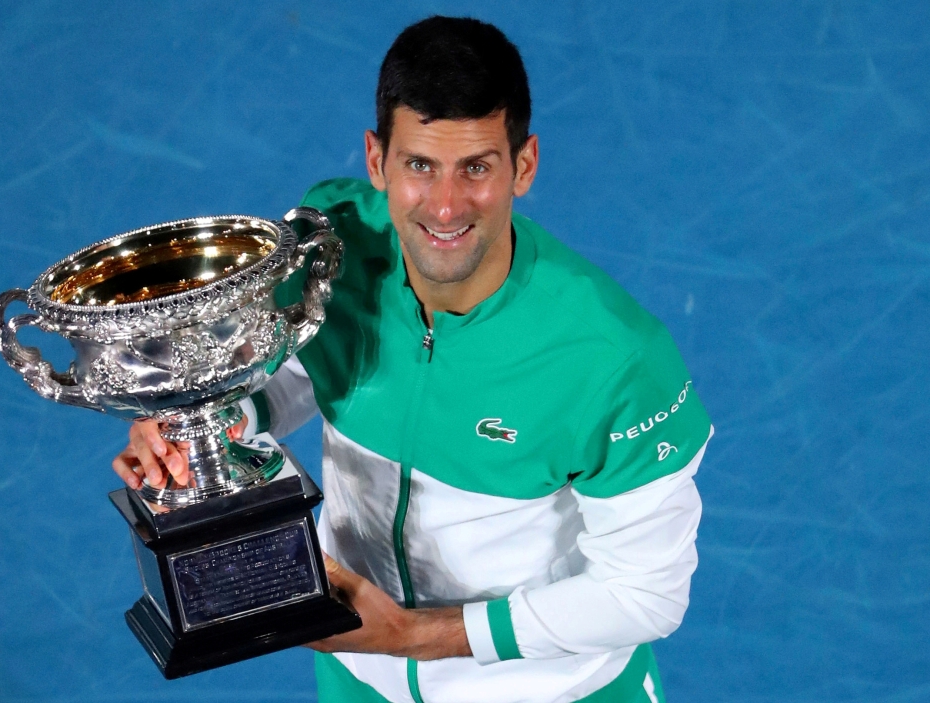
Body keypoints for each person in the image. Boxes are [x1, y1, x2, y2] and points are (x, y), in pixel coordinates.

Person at [113, 16, 713, 703]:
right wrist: (208, 428)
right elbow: (309, 372)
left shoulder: (616, 360)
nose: (447, 205)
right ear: (377, 161)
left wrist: (412, 634)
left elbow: (645, 595)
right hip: (357, 678)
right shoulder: (331, 243)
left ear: (525, 165)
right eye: (419, 166)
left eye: (477, 168)